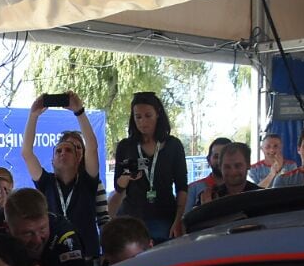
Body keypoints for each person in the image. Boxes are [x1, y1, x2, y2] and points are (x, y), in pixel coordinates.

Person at [22, 92, 107, 257]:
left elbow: (92, 147)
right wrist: (33, 116)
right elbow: (26, 152)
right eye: (58, 150)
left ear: (78, 158)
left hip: (87, 256)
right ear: (52, 161)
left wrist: (80, 112)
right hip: (54, 256)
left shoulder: (88, 181)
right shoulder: (46, 182)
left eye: (69, 150)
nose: (63, 153)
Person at [108, 92, 188, 241]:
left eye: (148, 115)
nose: (143, 122)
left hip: (165, 218)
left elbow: (182, 186)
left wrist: (178, 219)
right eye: (138, 117)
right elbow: (118, 187)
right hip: (133, 221)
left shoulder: (173, 145)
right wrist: (126, 177)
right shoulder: (125, 146)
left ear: (158, 114)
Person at [2, 188, 90, 266]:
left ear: (48, 218)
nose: (37, 240)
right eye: (27, 233)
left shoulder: (66, 239)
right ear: (7, 228)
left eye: (43, 229)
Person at [193, 142, 259, 206]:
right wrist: (205, 210)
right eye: (227, 167)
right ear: (220, 167)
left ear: (248, 165)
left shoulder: (262, 196)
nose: (233, 172)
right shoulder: (207, 197)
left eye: (238, 166)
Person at [184, 137, 231, 216]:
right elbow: (184, 222)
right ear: (208, 160)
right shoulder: (193, 189)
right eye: (216, 156)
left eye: (225, 156)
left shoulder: (243, 187)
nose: (221, 161)